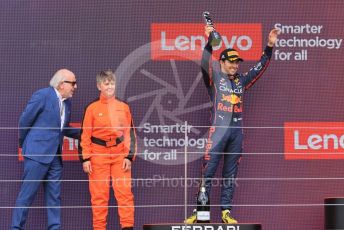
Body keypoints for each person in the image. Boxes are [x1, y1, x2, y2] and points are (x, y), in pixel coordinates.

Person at [185, 26, 280, 224]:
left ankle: (226, 212)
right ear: (222, 62)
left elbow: (260, 66)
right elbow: (204, 61)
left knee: (230, 173)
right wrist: (210, 40)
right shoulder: (214, 77)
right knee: (208, 171)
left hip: (236, 134)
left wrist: (269, 46)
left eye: (237, 62)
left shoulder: (241, 81)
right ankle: (201, 212)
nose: (235, 65)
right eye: (231, 62)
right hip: (218, 132)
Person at [11, 69, 80, 229]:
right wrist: (25, 145)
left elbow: (62, 128)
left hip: (55, 156)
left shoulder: (67, 102)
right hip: (37, 155)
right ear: (62, 84)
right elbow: (24, 120)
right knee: (27, 195)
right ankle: (16, 228)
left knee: (54, 197)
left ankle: (54, 228)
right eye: (73, 83)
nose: (75, 87)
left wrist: (87, 133)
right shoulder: (43, 95)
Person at [79, 70, 136, 230]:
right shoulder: (91, 108)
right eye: (106, 83)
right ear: (99, 86)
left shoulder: (123, 107)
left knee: (125, 194)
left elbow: (129, 133)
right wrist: (86, 158)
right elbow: (85, 135)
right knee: (99, 197)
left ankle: (127, 228)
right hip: (98, 155)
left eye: (112, 83)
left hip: (119, 156)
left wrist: (128, 156)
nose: (110, 86)